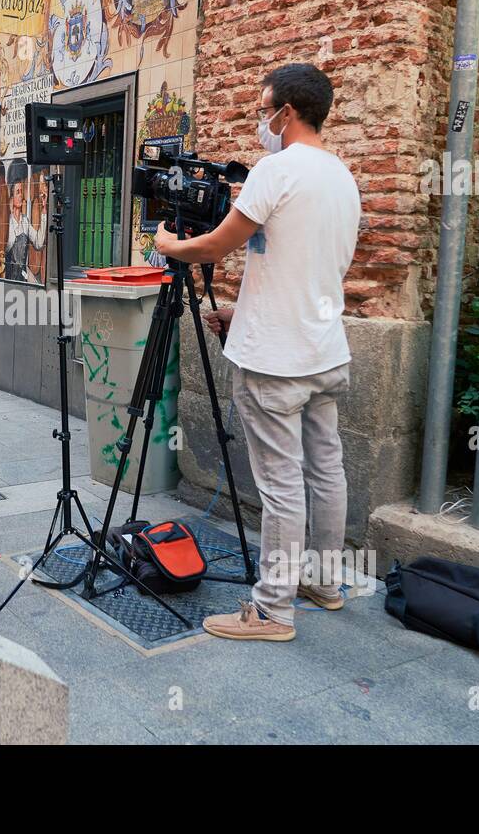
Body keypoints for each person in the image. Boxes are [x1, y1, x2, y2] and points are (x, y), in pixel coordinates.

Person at [154, 63, 360, 642]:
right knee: (326, 470)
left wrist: (172, 245)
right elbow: (306, 271)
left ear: (287, 112)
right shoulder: (342, 177)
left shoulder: (277, 169)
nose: (260, 120)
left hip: (275, 363)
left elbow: (219, 241)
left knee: (280, 486)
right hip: (323, 353)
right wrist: (242, 312)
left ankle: (272, 610)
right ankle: (321, 580)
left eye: (264, 107)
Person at [2, 159, 46, 284]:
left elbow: (38, 243)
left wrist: (44, 211)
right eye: (18, 192)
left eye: (22, 191)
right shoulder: (8, 223)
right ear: (11, 197)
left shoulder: (25, 221)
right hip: (8, 279)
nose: (21, 195)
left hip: (22, 277)